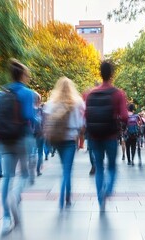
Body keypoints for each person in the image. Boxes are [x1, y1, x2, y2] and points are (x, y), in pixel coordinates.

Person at [0, 59, 35, 234]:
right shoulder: (27, 93)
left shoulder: (1, 92)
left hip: (4, 138)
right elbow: (29, 115)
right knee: (25, 174)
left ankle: (6, 219)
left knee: (7, 177)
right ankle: (16, 195)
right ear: (23, 75)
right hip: (21, 137)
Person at [85, 61, 128, 211]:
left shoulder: (90, 94)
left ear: (100, 73)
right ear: (112, 74)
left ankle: (100, 199)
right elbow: (124, 116)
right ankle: (108, 190)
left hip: (94, 136)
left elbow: (85, 115)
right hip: (110, 135)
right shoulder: (118, 93)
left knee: (99, 166)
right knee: (111, 166)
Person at [44, 77, 85, 209]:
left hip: (57, 140)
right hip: (70, 139)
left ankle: (66, 196)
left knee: (64, 168)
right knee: (68, 169)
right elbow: (81, 124)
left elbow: (46, 122)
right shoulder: (78, 102)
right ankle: (65, 197)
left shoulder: (51, 103)